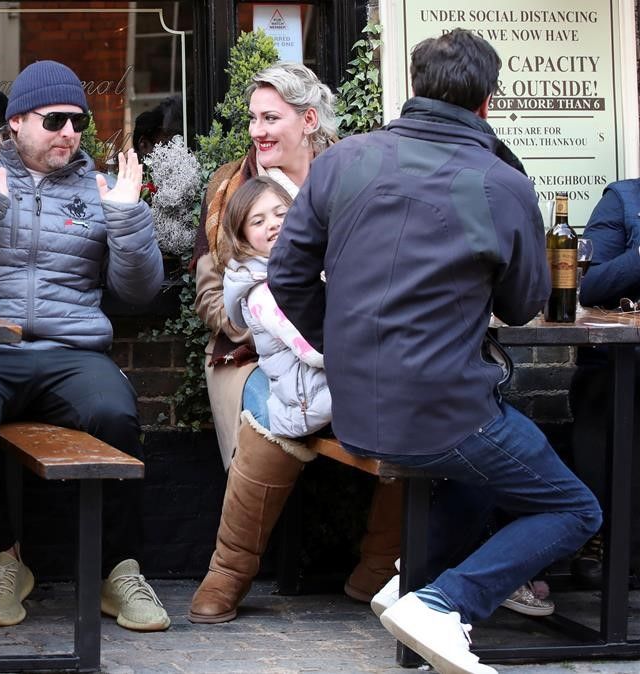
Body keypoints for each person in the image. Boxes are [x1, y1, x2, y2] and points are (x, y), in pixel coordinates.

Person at [268, 29, 601, 674]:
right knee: (572, 506)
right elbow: (522, 303)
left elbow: (286, 277)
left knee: (479, 474)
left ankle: (408, 588)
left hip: (356, 409)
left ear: (415, 88)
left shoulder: (343, 161)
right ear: (486, 104)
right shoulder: (499, 184)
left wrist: (341, 347)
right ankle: (444, 602)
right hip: (446, 410)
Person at [0, 60, 169, 632]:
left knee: (116, 415)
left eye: (78, 121)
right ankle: (3, 560)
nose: (70, 134)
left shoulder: (97, 186)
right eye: (55, 120)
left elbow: (141, 290)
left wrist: (127, 217)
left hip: (71, 351)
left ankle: (119, 571)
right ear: (18, 122)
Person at [187, 62, 401, 625]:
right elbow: (215, 289)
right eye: (253, 118)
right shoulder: (234, 185)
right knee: (275, 416)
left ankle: (380, 568)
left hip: (346, 347)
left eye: (271, 118)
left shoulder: (350, 176)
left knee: (416, 419)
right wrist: (262, 317)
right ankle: (229, 571)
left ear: (308, 121)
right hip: (253, 354)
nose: (257, 130)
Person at [568, 178, 640, 587]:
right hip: (624, 357)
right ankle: (605, 535)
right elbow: (590, 284)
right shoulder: (625, 200)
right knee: (608, 389)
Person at [220, 177, 330, 438]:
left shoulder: (301, 266)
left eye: (281, 213)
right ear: (242, 236)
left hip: (327, 386)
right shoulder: (261, 294)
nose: (273, 224)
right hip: (308, 403)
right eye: (258, 221)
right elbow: (313, 352)